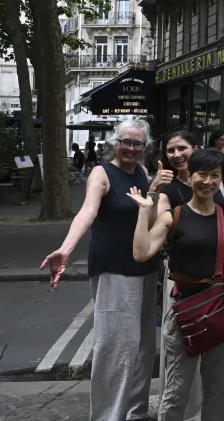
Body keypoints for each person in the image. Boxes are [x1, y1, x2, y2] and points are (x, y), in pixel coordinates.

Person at [41, 118, 170, 421]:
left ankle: (135, 412)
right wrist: (67, 248)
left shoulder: (140, 172)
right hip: (115, 270)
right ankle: (108, 416)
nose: (131, 148)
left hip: (145, 268)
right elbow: (87, 212)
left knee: (141, 347)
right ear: (115, 141)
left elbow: (146, 216)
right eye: (126, 141)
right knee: (115, 349)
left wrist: (153, 194)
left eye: (137, 143)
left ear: (145, 147)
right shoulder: (102, 173)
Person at [130, 149, 224, 421]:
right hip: (183, 315)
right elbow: (142, 253)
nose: (208, 181)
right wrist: (145, 209)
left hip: (218, 312)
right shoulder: (173, 216)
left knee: (217, 393)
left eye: (215, 176)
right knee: (176, 393)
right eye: (202, 174)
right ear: (189, 177)